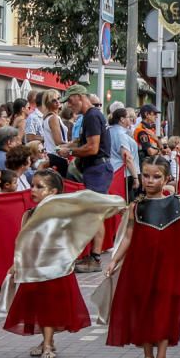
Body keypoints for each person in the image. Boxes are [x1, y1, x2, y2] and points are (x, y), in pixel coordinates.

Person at [105, 156, 180, 358]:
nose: (150, 181)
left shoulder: (177, 202)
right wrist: (114, 259)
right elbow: (128, 238)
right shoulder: (136, 207)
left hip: (168, 267)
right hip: (139, 265)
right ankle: (147, 357)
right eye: (146, 176)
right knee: (143, 307)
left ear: (167, 179)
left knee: (164, 308)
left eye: (156, 177)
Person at [1, 171, 117, 358]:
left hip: (56, 268)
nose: (33, 190)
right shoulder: (29, 214)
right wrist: (16, 263)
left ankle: (47, 343)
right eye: (33, 186)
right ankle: (47, 341)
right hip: (35, 268)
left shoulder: (62, 215)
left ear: (53, 192)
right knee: (39, 305)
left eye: (40, 187)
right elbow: (21, 242)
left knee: (50, 305)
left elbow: (76, 233)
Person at [58, 85, 113, 272]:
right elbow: (87, 143)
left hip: (97, 169)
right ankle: (93, 256)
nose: (69, 105)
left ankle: (95, 259)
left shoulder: (91, 116)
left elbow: (92, 148)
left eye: (70, 100)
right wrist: (68, 146)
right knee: (94, 214)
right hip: (96, 169)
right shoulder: (90, 116)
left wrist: (70, 151)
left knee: (95, 214)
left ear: (80, 97)